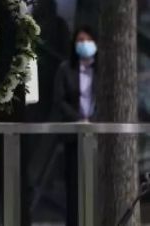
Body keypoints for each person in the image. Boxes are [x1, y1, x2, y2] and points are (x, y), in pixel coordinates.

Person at [52, 26, 97, 226]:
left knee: (96, 182)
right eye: (80, 40)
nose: (84, 44)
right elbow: (59, 100)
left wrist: (94, 120)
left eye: (87, 40)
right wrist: (79, 119)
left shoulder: (102, 70)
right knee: (74, 185)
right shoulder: (65, 69)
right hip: (73, 136)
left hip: (98, 134)